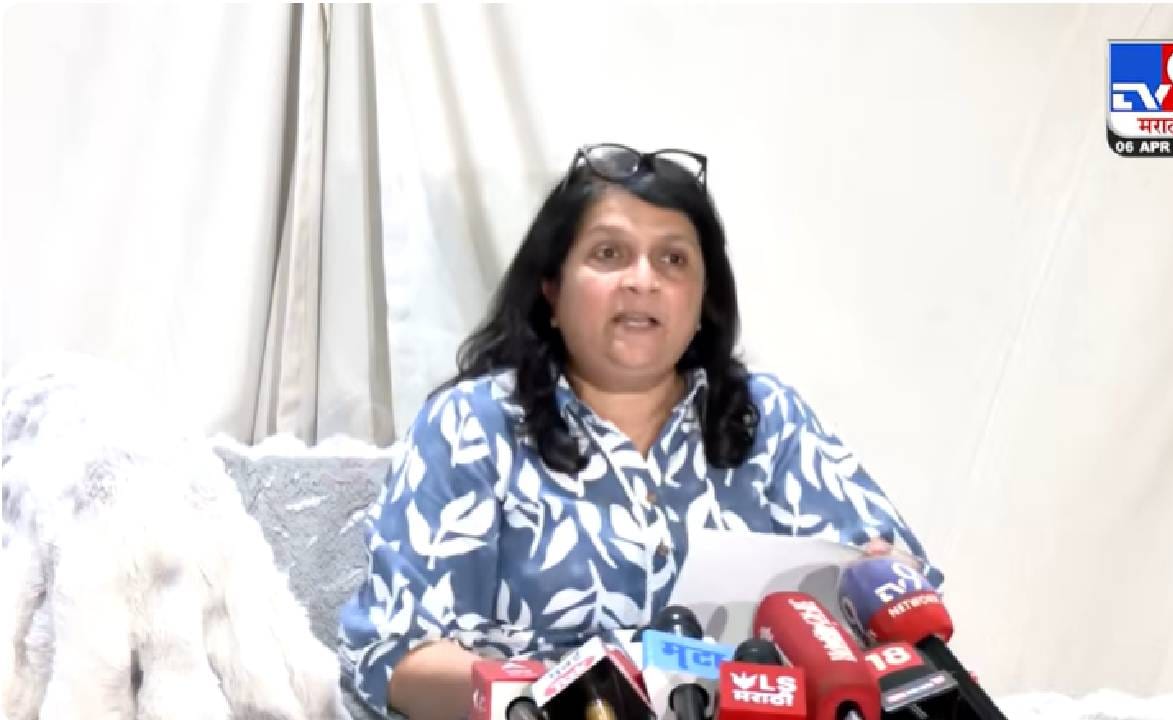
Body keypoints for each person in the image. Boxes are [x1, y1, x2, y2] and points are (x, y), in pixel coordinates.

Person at [338, 143, 943, 720]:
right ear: (551, 290)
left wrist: (885, 578)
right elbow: (394, 661)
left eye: (673, 260)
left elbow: (901, 598)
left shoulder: (769, 418)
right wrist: (567, 695)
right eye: (609, 254)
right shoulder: (472, 425)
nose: (642, 280)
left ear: (704, 300)